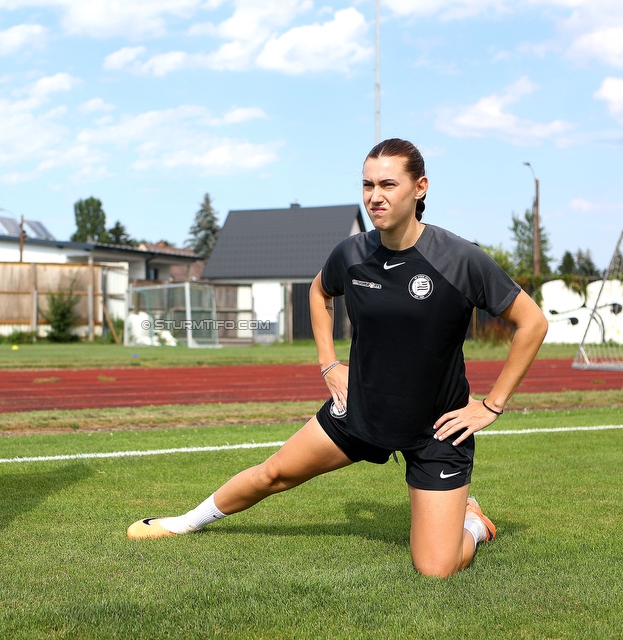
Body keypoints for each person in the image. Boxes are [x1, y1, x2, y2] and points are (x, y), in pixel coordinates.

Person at [127, 138, 548, 577]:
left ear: (420, 187)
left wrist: (491, 405)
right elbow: (318, 291)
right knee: (273, 474)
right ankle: (183, 523)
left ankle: (474, 522)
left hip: (437, 431)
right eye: (367, 185)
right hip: (360, 412)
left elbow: (532, 323)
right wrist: (329, 363)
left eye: (388, 184)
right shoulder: (352, 253)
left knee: (436, 568)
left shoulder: (460, 259)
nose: (375, 196)